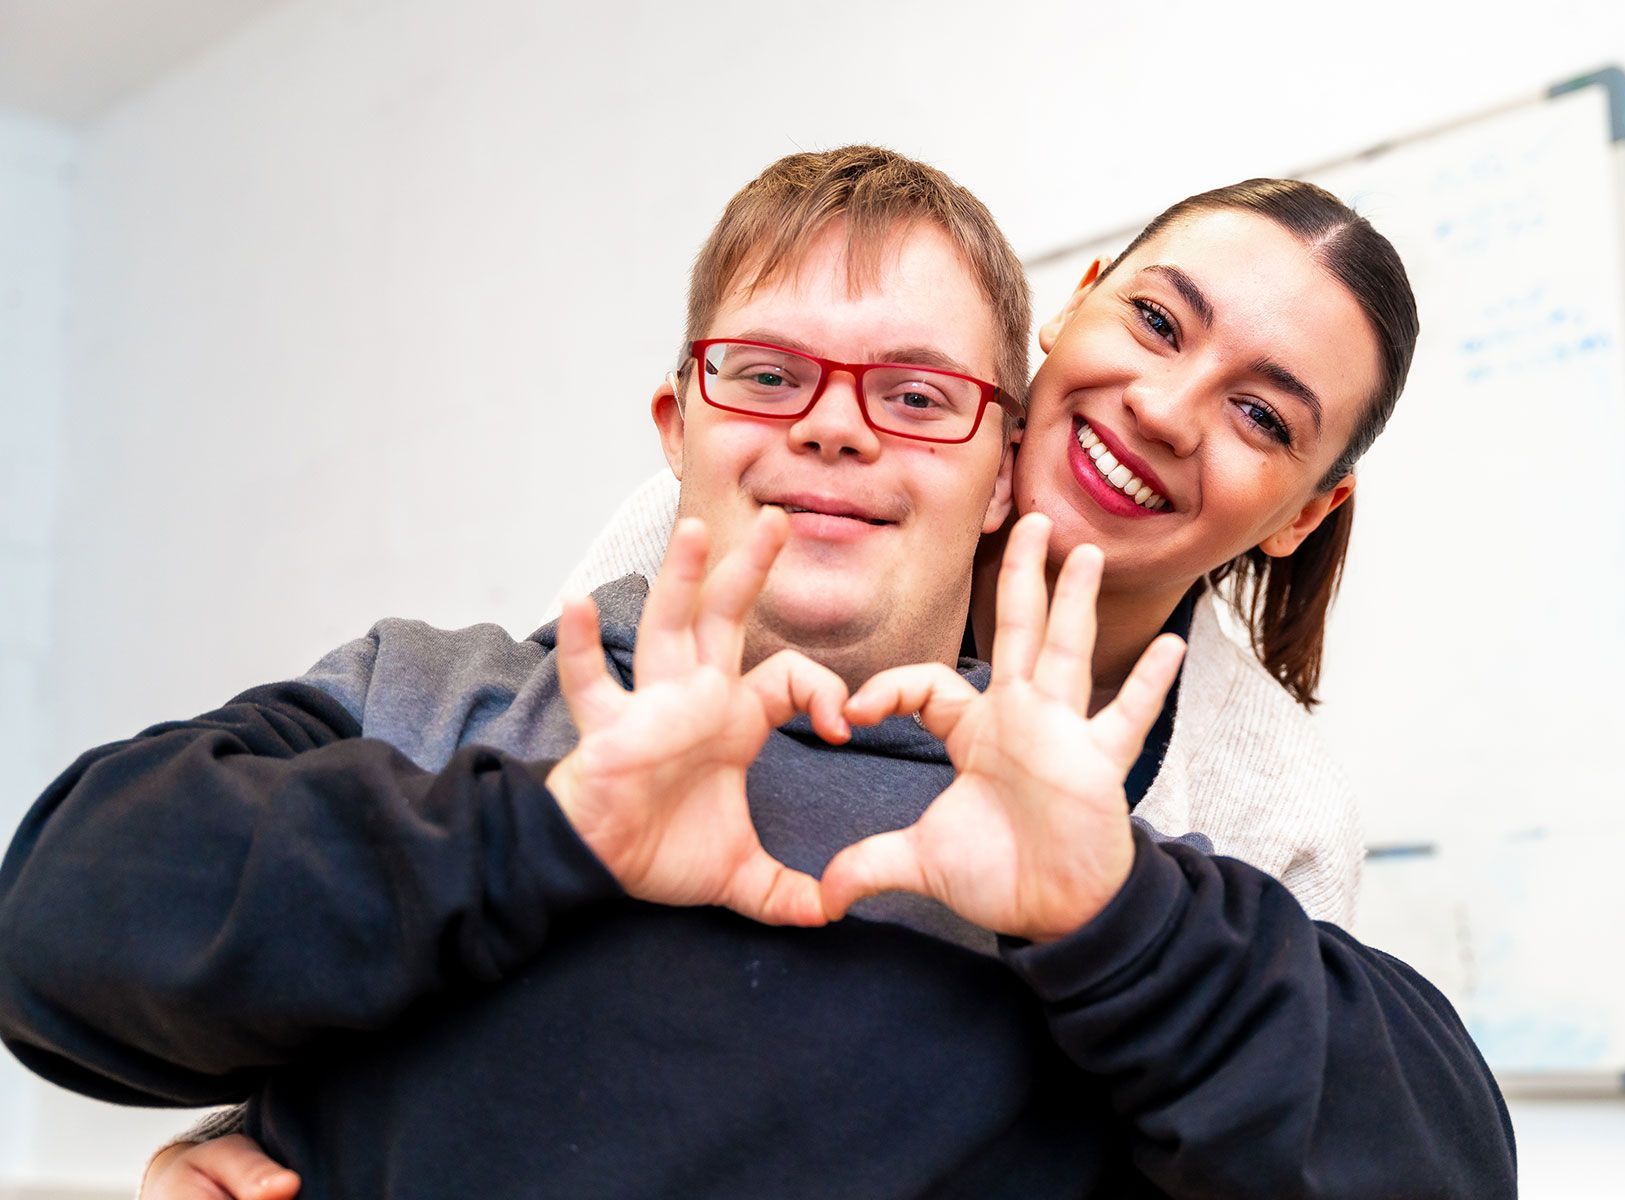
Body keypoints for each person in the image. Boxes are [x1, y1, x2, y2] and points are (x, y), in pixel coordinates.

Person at [1, 146, 1516, 1198]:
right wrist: (286, 1090)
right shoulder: (478, 687)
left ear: (997, 463)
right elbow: (98, 931)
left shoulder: (1216, 839)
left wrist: (1111, 913)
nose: (834, 434)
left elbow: (1352, 1147)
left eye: (916, 395)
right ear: (677, 429)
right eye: (772, 378)